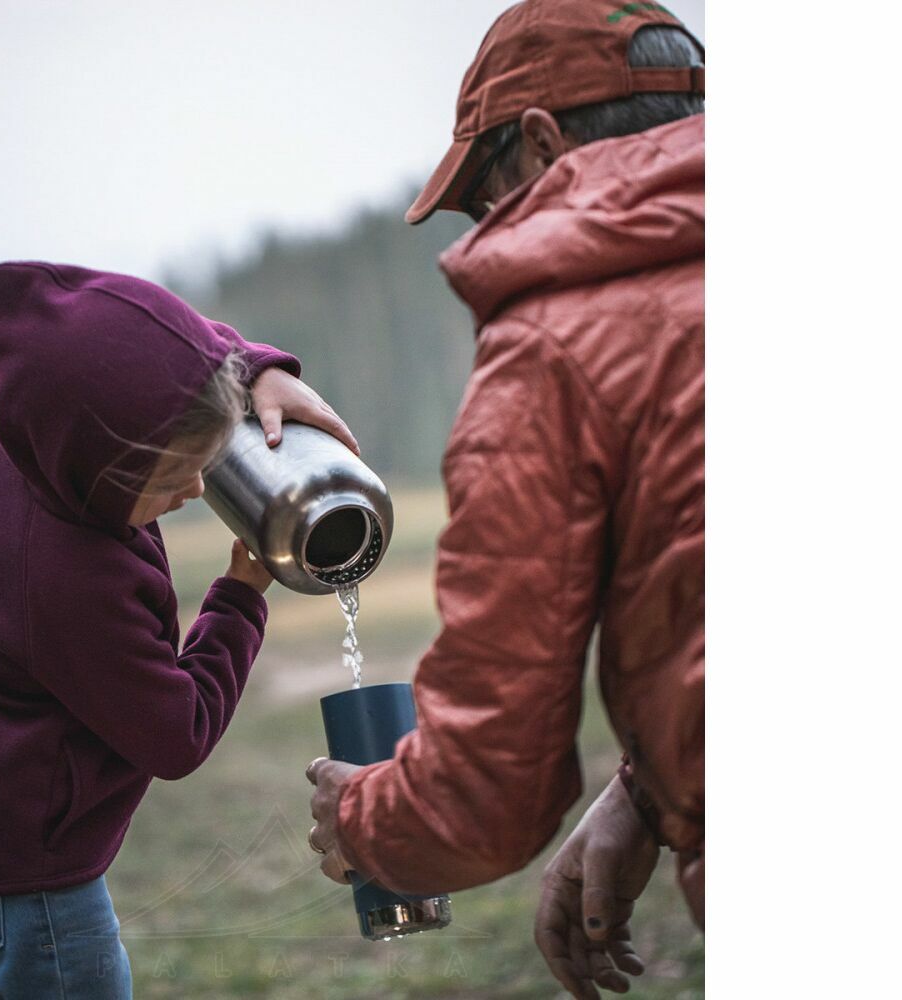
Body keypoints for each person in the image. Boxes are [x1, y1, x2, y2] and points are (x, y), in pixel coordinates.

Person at [301, 1, 705, 996]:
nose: (491, 229)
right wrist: (647, 797)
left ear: (542, 142)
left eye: (488, 199)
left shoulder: (557, 342)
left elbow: (489, 789)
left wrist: (361, 818)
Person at [0, 261, 356, 999]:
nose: (195, 488)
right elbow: (176, 733)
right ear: (104, 467)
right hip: (27, 884)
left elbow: (149, 348)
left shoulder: (31, 424)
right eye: (173, 476)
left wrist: (255, 369)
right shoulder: (67, 578)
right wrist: (240, 600)